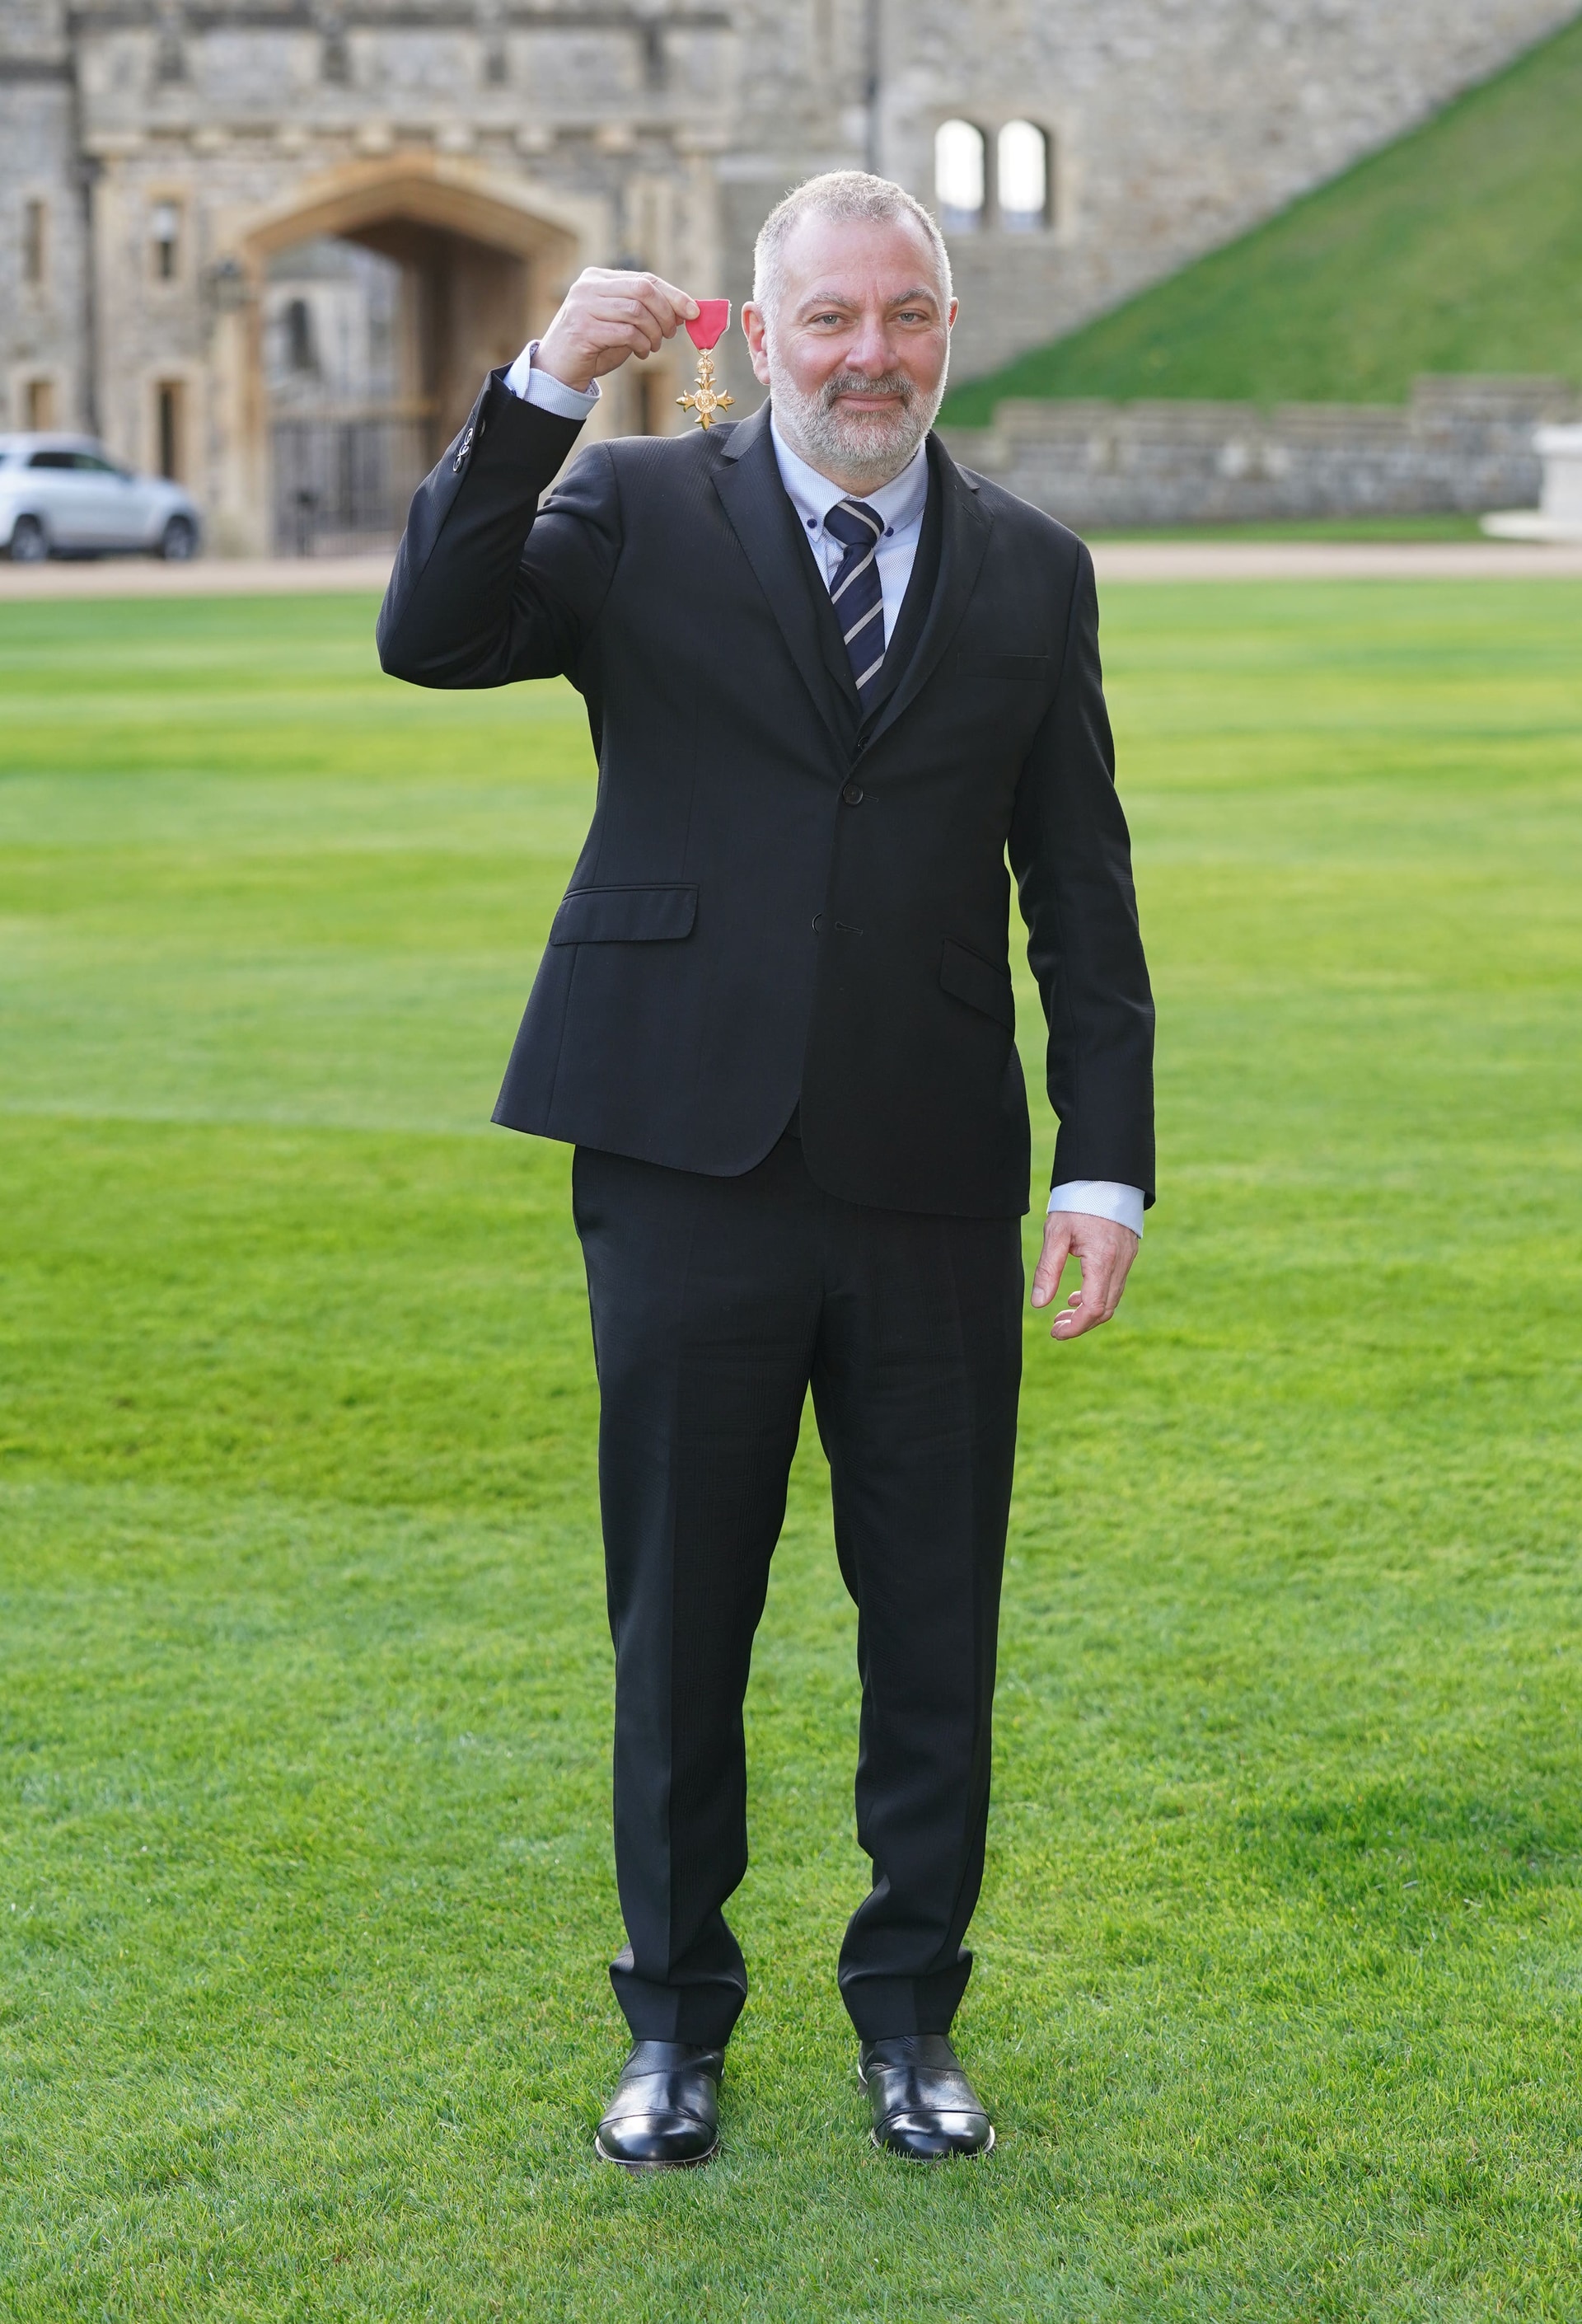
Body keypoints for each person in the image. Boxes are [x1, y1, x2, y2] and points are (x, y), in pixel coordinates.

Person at [377, 171, 1154, 2168]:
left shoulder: (1034, 567)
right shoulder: (634, 512)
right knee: (683, 1616)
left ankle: (912, 2022)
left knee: (933, 1624)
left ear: (948, 329)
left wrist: (1107, 1168)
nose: (868, 355)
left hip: (927, 1175)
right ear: (757, 325)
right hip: (680, 1153)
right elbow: (431, 631)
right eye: (829, 319)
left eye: (904, 316)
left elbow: (1080, 886)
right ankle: (675, 2028)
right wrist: (546, 381)